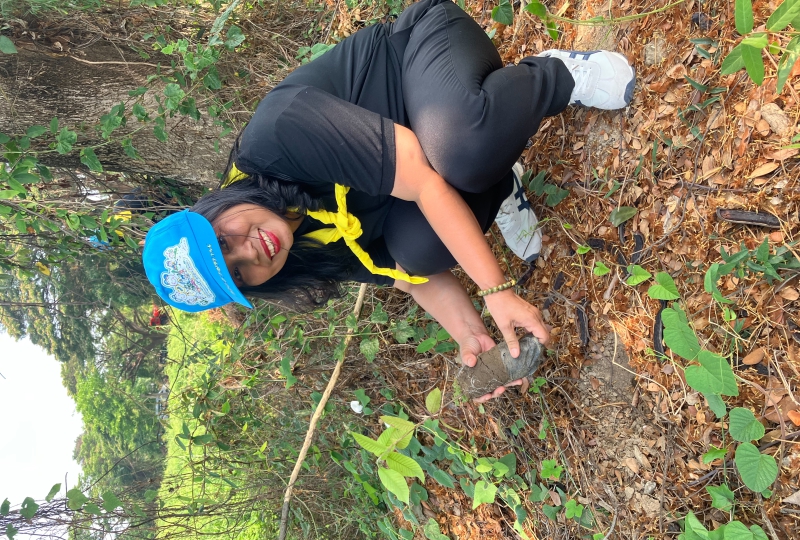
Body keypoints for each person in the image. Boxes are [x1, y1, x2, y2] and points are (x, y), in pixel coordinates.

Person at [142, 0, 635, 400]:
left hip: (423, 53)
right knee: (420, 251)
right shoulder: (301, 251)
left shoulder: (278, 136)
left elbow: (422, 182)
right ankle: (502, 184)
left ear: (212, 208)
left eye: (223, 241)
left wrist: (496, 289)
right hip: (429, 147)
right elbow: (409, 277)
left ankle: (555, 76)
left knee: (460, 152)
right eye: (238, 274)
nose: (251, 253)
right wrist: (473, 338)